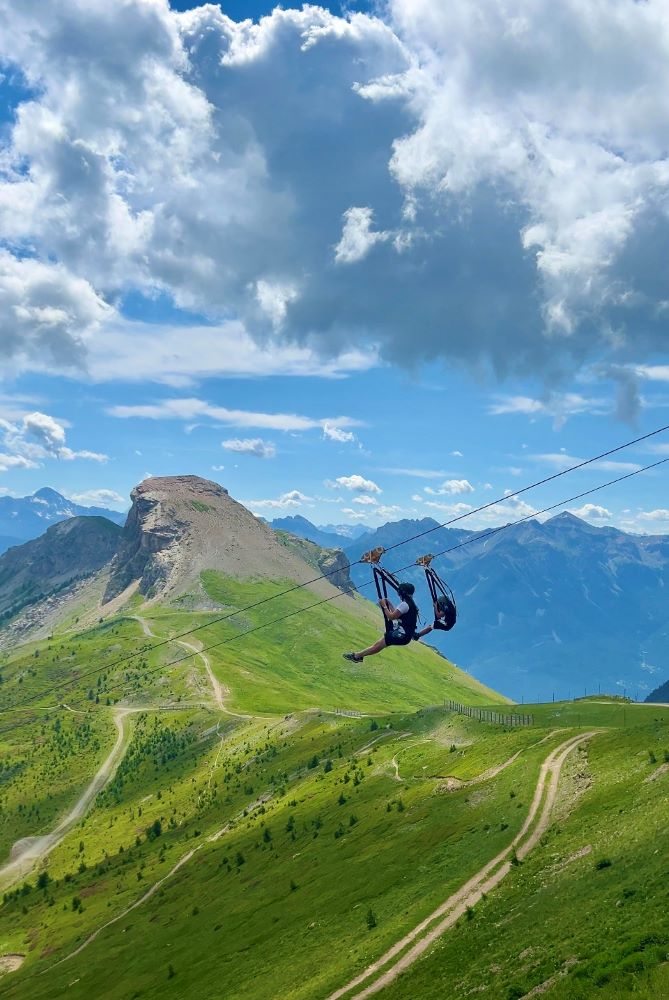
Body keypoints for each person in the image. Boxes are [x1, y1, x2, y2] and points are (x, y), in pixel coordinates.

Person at [343, 582, 419, 662]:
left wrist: (384, 606)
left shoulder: (405, 604)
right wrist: (389, 604)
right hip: (405, 636)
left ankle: (357, 656)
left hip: (402, 635)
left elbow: (392, 617)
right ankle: (358, 656)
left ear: (402, 593)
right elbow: (398, 615)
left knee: (379, 645)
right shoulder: (411, 604)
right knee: (379, 644)